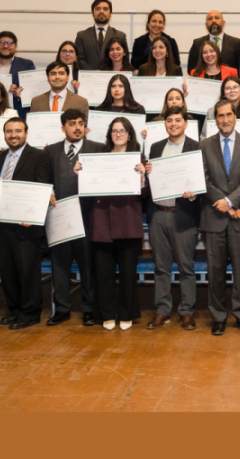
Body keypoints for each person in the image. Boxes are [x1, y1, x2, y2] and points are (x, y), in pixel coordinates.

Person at [78, 117, 147, 331]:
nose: (118, 134)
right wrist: (81, 174)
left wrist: (143, 178)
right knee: (103, 273)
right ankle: (107, 313)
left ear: (129, 134)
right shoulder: (97, 158)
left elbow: (146, 195)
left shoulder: (139, 158)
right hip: (101, 223)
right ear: (109, 135)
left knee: (128, 274)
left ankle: (126, 313)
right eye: (114, 131)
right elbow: (87, 194)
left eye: (122, 130)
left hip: (128, 222)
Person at [199, 100, 240, 335]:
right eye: (220, 116)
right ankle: (218, 316)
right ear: (215, 120)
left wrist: (230, 201)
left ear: (235, 117)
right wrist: (224, 204)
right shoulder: (204, 145)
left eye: (228, 115)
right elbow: (204, 179)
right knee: (215, 270)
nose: (225, 120)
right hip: (214, 217)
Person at [44, 109, 102, 327]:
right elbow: (43, 180)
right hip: (58, 216)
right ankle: (61, 309)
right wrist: (47, 191)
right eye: (72, 123)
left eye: (81, 123)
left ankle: (88, 309)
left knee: (88, 265)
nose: (77, 127)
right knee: (59, 265)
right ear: (63, 128)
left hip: (87, 217)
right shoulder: (49, 152)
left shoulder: (97, 149)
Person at [146, 107, 202, 331]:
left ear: (186, 123)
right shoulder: (156, 147)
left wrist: (194, 192)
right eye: (169, 120)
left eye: (177, 120)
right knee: (161, 267)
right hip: (159, 213)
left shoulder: (196, 147)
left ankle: (187, 311)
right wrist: (148, 171)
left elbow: (201, 179)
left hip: (184, 214)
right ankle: (162, 310)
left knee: (186, 266)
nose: (173, 124)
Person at [0, 117, 51, 330]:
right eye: (9, 131)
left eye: (18, 131)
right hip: (1, 223)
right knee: (7, 271)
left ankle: (30, 312)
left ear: (26, 133)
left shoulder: (39, 156)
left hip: (27, 224)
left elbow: (42, 185)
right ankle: (14, 309)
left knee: (27, 271)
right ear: (4, 134)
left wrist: (33, 214)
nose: (13, 135)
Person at [200, 76, 240, 141]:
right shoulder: (212, 111)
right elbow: (204, 138)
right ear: (223, 93)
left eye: (235, 87)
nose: (232, 91)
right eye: (228, 88)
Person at [75, 0, 128, 70]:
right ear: (92, 13)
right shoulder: (82, 36)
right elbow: (79, 60)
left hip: (112, 77)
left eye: (105, 9)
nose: (101, 11)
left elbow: (125, 60)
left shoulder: (120, 35)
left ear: (110, 13)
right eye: (98, 9)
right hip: (88, 78)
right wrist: (95, 73)